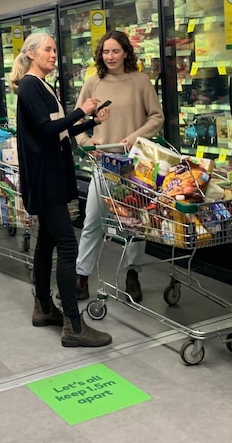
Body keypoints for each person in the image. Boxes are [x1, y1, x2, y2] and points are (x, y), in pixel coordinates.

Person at [11, 32, 113, 348]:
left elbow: (59, 131)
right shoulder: (30, 85)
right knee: (68, 247)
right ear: (30, 54)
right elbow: (44, 130)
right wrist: (81, 111)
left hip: (50, 175)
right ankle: (74, 326)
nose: (54, 54)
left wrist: (90, 121)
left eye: (55, 49)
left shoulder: (41, 85)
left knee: (47, 242)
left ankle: (43, 307)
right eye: (48, 49)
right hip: (46, 178)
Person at [73, 31, 165, 302]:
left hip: (136, 165)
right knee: (92, 221)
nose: (110, 57)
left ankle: (132, 273)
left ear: (126, 52)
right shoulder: (93, 83)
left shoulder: (140, 81)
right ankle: (82, 275)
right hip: (103, 163)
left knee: (136, 223)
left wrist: (135, 137)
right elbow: (77, 121)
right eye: (105, 52)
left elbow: (157, 117)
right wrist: (88, 142)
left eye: (115, 51)